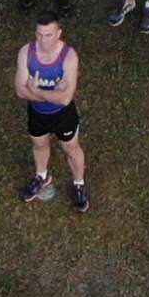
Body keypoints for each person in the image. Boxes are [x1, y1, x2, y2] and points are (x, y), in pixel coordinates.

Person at [15, 16, 90, 210]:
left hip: (63, 115)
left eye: (48, 35)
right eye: (39, 34)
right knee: (39, 145)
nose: (43, 40)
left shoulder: (69, 57)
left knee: (71, 149)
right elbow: (20, 91)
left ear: (58, 33)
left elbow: (65, 99)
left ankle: (79, 183)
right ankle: (42, 176)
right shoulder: (26, 53)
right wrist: (53, 94)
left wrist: (37, 91)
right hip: (37, 114)